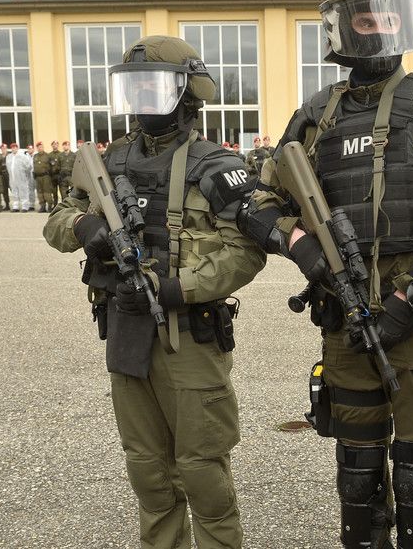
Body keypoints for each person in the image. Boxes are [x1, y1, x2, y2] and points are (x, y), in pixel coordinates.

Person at [238, 0, 413, 549]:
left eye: (389, 17)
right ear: (341, 27)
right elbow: (257, 201)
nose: (379, 28)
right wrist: (299, 245)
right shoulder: (315, 115)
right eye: (365, 19)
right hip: (343, 310)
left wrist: (411, 296)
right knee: (357, 472)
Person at [43, 35, 266, 549]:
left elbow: (246, 252)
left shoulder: (217, 166)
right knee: (147, 470)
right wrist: (83, 227)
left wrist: (175, 288)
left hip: (188, 336)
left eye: (155, 87)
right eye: (135, 87)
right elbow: (58, 220)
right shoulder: (110, 161)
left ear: (189, 92)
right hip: (125, 331)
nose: (143, 99)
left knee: (201, 469)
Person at [5, 143, 33, 212]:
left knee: (23, 192)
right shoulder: (9, 157)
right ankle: (16, 206)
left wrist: (25, 175)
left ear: (17, 148)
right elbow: (8, 167)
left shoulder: (22, 156)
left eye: (15, 147)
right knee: (14, 193)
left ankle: (25, 207)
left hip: (22, 178)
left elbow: (28, 167)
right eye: (12, 147)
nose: (13, 149)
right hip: (12, 178)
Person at [32, 142, 57, 212]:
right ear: (37, 148)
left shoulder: (48, 156)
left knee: (47, 192)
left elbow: (53, 166)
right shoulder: (35, 156)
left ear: (43, 147)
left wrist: (52, 174)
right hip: (38, 177)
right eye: (38, 147)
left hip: (46, 177)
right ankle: (42, 206)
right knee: (40, 192)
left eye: (41, 147)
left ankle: (49, 206)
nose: (40, 148)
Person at [0, 143, 11, 209]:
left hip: (9, 174)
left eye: (4, 148)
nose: (3, 150)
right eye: (2, 148)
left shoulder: (10, 156)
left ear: (7, 149)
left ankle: (17, 205)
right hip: (2, 175)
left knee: (13, 189)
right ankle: (7, 205)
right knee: (4, 191)